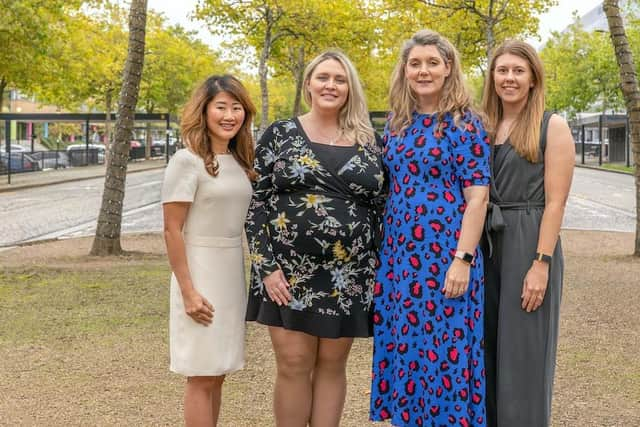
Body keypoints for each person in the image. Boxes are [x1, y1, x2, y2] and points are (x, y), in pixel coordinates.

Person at [245, 50, 386, 427]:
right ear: (308, 84)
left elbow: (384, 206)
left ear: (350, 88)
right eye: (323, 77)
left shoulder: (371, 141)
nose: (331, 85)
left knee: (332, 364)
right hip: (287, 273)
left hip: (350, 276)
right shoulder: (279, 134)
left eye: (340, 79)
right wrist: (266, 268)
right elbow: (255, 204)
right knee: (293, 363)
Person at [370, 29, 490, 427]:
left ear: (448, 68)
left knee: (445, 356)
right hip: (401, 260)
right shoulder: (397, 123)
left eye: (432, 63)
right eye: (415, 63)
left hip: (447, 257)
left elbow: (478, 198)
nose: (423, 71)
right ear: (404, 70)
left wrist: (463, 259)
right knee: (408, 352)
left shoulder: (464, 124)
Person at [481, 40, 574, 427]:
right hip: (486, 244)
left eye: (518, 71)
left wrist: (541, 263)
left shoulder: (552, 124)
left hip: (529, 242)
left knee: (524, 356)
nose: (509, 78)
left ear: (533, 78)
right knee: (485, 351)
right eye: (502, 70)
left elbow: (555, 202)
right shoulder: (482, 125)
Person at [161, 75, 256, 426]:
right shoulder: (186, 161)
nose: (230, 115)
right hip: (199, 272)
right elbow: (172, 229)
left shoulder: (240, 161)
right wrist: (188, 290)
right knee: (201, 374)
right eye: (221, 107)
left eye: (237, 107)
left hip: (231, 270)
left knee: (219, 372)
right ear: (204, 110)